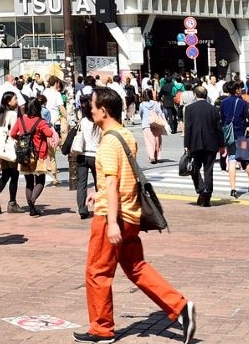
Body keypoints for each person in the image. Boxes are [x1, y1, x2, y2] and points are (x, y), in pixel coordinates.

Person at [76, 88, 195, 344]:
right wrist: (99, 195)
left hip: (113, 216)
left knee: (97, 272)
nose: (90, 110)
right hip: (131, 215)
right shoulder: (126, 135)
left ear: (104, 111)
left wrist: (109, 221)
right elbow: (125, 176)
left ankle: (101, 329)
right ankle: (181, 307)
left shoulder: (108, 141)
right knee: (136, 267)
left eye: (93, 106)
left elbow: (111, 182)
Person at [11, 96, 57, 215]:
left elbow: (13, 133)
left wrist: (22, 140)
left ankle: (32, 208)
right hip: (39, 154)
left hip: (25, 155)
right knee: (40, 180)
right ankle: (32, 201)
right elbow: (48, 133)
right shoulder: (40, 121)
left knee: (29, 182)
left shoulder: (21, 120)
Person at [180, 89, 223, 207]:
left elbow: (188, 127)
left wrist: (186, 145)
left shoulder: (189, 109)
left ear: (195, 95)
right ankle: (207, 195)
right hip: (211, 144)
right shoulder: (214, 109)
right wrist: (222, 144)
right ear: (206, 95)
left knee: (194, 168)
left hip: (195, 143)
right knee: (208, 170)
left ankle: (201, 189)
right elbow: (219, 128)